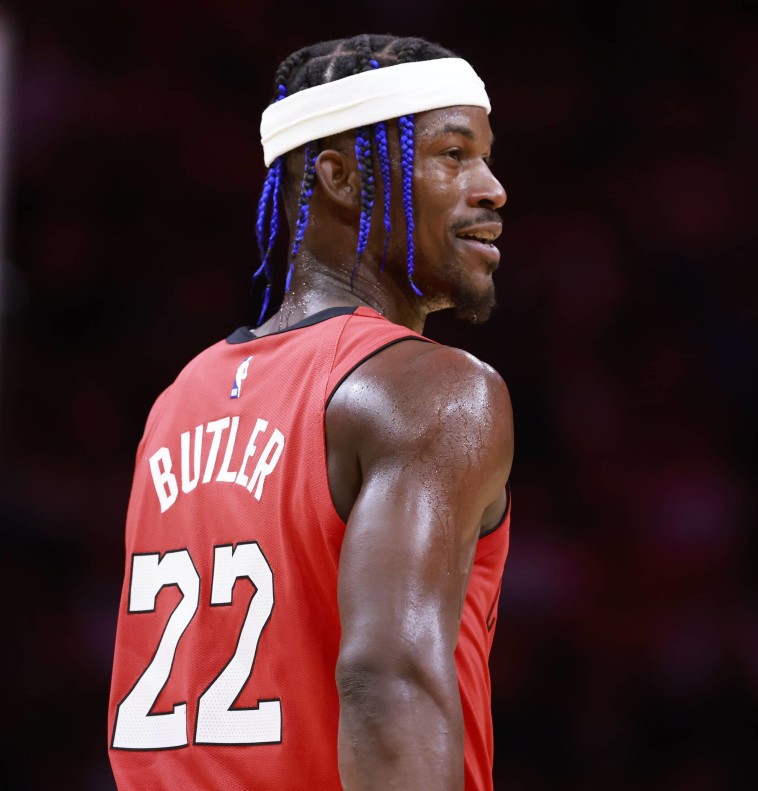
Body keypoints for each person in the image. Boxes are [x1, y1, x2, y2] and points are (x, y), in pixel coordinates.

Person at [107, 34, 512, 791]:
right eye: (454, 155)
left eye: (486, 157)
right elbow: (387, 678)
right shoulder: (431, 389)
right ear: (342, 177)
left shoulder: (179, 400)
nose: (492, 187)